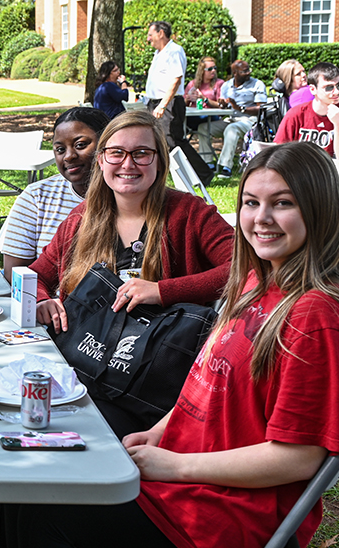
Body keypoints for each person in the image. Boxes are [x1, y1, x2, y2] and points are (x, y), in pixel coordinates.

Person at [0, 141, 339, 548]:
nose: (261, 220)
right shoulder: (256, 283)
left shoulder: (315, 317)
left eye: (282, 204)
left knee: (46, 509)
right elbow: (204, 387)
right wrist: (158, 433)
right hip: (190, 482)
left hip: (233, 515)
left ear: (320, 210)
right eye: (251, 203)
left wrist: (176, 466)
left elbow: (298, 457)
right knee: (35, 480)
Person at [33, 110, 234, 438]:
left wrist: (162, 291)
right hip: (82, 372)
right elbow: (36, 274)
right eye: (116, 153)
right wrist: (42, 300)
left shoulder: (189, 214)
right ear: (101, 160)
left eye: (142, 153)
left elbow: (245, 269)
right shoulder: (82, 219)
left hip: (152, 392)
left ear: (159, 161)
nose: (128, 164)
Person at [274, 61, 339, 278]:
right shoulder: (297, 114)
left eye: (338, 86)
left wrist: (338, 123)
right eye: (329, 88)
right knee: (332, 194)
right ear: (312, 90)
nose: (336, 92)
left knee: (333, 191)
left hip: (327, 173)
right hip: (296, 174)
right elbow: (279, 151)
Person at [0, 107, 110, 282]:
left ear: (108, 143)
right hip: (47, 305)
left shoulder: (129, 197)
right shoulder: (36, 197)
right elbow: (14, 275)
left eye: (80, 145)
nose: (69, 156)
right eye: (60, 149)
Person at [214, 60, 267, 179]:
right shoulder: (226, 86)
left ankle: (226, 167)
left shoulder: (257, 84)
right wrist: (222, 104)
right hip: (231, 119)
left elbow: (262, 108)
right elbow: (225, 107)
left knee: (232, 129)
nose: (248, 73)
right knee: (204, 128)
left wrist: (240, 108)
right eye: (245, 71)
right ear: (235, 73)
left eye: (249, 70)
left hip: (251, 121)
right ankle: (208, 163)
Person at [144, 21, 188, 149]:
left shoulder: (174, 51)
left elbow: (176, 80)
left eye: (150, 34)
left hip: (169, 104)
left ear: (161, 33)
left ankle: (199, 170)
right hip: (155, 104)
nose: (148, 39)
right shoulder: (158, 54)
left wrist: (162, 106)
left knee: (173, 141)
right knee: (157, 141)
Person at [184, 57, 226, 166]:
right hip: (192, 117)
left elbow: (221, 106)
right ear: (202, 71)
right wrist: (187, 99)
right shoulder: (192, 84)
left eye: (215, 68)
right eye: (210, 69)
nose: (214, 71)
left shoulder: (219, 84)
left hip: (212, 117)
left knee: (203, 126)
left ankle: (207, 162)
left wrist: (205, 99)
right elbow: (184, 105)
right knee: (177, 124)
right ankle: (183, 159)